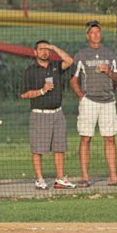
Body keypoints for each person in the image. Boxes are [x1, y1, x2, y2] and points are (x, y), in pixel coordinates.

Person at [70, 20, 117, 187]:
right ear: (87, 36)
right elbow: (73, 80)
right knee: (85, 138)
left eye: (98, 32)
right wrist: (81, 97)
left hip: (108, 101)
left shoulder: (110, 53)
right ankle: (85, 177)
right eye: (93, 32)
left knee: (110, 138)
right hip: (89, 101)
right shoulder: (81, 55)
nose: (96, 35)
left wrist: (109, 72)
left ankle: (113, 177)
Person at [21, 40, 76, 190]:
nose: (45, 52)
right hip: (40, 114)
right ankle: (39, 179)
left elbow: (70, 61)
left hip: (58, 113)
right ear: (35, 52)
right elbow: (24, 94)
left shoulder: (56, 66)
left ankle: (60, 179)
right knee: (38, 149)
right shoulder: (30, 71)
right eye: (41, 49)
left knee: (60, 147)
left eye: (47, 49)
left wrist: (54, 47)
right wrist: (42, 91)